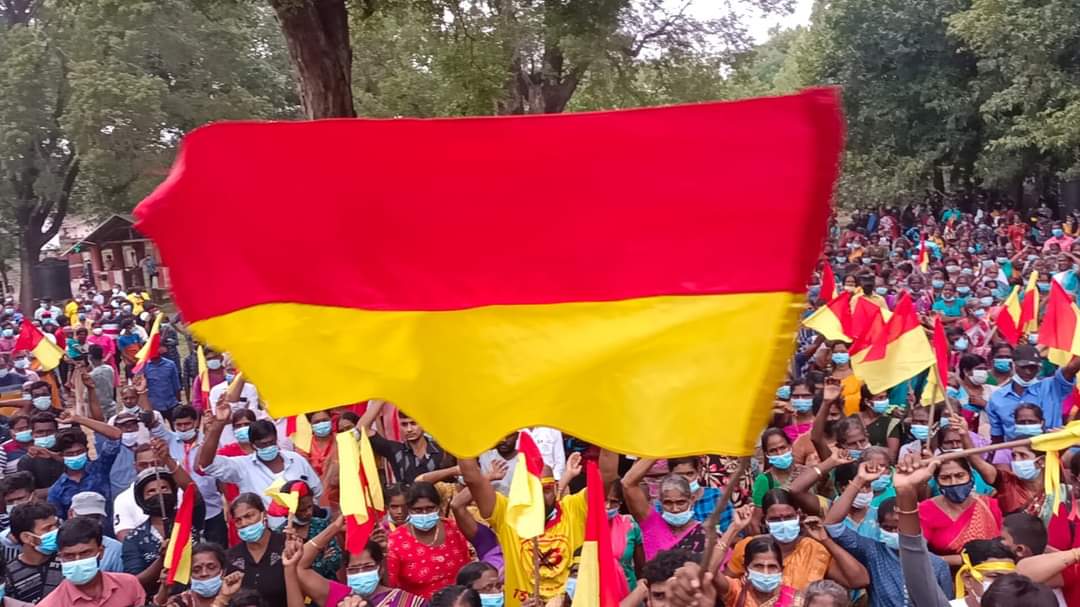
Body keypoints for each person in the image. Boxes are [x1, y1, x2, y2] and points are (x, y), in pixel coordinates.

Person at [459, 450, 617, 607]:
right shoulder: (507, 513)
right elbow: (472, 479)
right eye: (531, 490)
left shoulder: (574, 508)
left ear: (556, 488)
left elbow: (608, 475)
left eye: (545, 490)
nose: (538, 498)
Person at [823, 462, 952, 607]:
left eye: (899, 529)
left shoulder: (938, 565)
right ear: (879, 526)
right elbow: (832, 525)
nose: (895, 533)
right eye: (888, 528)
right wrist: (859, 480)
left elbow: (948, 603)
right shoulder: (874, 552)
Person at [199, 392, 323, 524]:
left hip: (305, 529)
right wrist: (218, 424)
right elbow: (207, 464)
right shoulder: (242, 467)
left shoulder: (296, 460)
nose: (268, 447)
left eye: (271, 442)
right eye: (263, 444)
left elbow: (316, 491)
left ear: (276, 439)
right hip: (267, 533)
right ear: (253, 445)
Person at [726, 489, 869, 590]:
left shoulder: (816, 549)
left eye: (788, 517)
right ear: (765, 521)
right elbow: (725, 588)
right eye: (775, 519)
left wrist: (826, 540)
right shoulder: (748, 546)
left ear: (798, 515)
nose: (783, 523)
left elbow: (860, 580)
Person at [386, 482, 471, 598]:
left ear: (438, 507)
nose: (424, 513)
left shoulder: (453, 529)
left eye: (430, 508)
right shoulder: (396, 540)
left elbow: (467, 568)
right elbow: (390, 584)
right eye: (418, 510)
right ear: (409, 510)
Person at [37, 516, 145, 607]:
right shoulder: (51, 604)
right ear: (60, 557)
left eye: (85, 553)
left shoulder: (129, 585)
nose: (78, 561)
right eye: (69, 556)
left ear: (100, 552)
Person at [987, 346, 1079, 442]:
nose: (1028, 372)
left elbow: (1072, 368)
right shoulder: (997, 398)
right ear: (1012, 365)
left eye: (1033, 368)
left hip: (1051, 447)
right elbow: (997, 437)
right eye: (1023, 367)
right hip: (1014, 449)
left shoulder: (1053, 387)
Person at [165, 405, 227, 545]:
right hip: (182, 512)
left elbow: (221, 476)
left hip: (212, 509)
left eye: (187, 424)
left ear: (196, 422)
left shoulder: (211, 443)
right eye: (179, 425)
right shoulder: (169, 441)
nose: (183, 428)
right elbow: (152, 422)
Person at [621, 462, 705, 560]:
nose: (675, 509)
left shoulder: (704, 533)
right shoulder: (651, 524)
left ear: (692, 499)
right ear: (660, 501)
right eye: (668, 503)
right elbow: (627, 483)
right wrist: (655, 455)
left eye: (680, 502)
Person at [46, 414, 122, 518]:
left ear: (86, 451)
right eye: (70, 454)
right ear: (61, 456)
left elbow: (116, 435)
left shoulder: (99, 468)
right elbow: (59, 520)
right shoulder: (57, 490)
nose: (75, 456)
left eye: (79, 452)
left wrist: (79, 419)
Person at [121, 468, 182, 593]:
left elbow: (193, 491)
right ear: (141, 499)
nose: (159, 494)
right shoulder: (133, 538)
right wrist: (162, 559)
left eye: (164, 488)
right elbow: (134, 581)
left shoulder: (190, 520)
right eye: (151, 491)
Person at [271, 480, 343, 581]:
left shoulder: (322, 525)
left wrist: (305, 566)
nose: (308, 512)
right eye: (302, 510)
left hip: (327, 585)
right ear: (290, 511)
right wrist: (321, 562)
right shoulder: (279, 535)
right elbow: (285, 571)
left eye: (310, 507)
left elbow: (336, 559)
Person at [364, 401, 450, 484]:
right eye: (404, 424)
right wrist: (382, 397)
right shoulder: (395, 450)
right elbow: (362, 430)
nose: (409, 429)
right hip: (405, 493)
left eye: (413, 423)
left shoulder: (441, 450)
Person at [226, 493, 287, 606]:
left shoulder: (286, 546)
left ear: (263, 514)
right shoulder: (232, 557)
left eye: (249, 516)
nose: (244, 523)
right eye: (238, 520)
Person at [151, 542, 244, 607]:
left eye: (211, 567)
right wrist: (164, 588)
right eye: (196, 570)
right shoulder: (181, 601)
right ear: (189, 576)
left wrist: (225, 597)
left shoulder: (239, 599)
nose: (204, 573)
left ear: (223, 572)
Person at [4, 502, 62, 602]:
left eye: (56, 525)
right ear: (27, 537)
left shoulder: (68, 560)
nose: (56, 531)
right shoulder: (9, 575)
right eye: (47, 528)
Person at [68, 493, 123, 573]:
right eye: (83, 517)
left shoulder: (115, 549)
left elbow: (119, 579)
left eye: (94, 518)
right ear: (70, 514)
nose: (88, 522)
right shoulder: (54, 542)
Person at [16, 413, 64, 496]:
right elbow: (27, 493)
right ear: (32, 435)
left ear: (57, 432)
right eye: (40, 432)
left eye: (50, 431)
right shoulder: (26, 461)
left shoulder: (69, 454)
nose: (45, 435)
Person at [753, 429, 800, 506]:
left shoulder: (804, 472)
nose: (779, 453)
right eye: (773, 451)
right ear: (766, 454)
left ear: (790, 446)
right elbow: (758, 511)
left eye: (782, 448)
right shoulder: (764, 480)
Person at [142, 351, 181, 422]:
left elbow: (176, 385)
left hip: (171, 403)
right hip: (155, 406)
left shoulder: (170, 364)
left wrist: (178, 402)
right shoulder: (144, 366)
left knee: (176, 425)